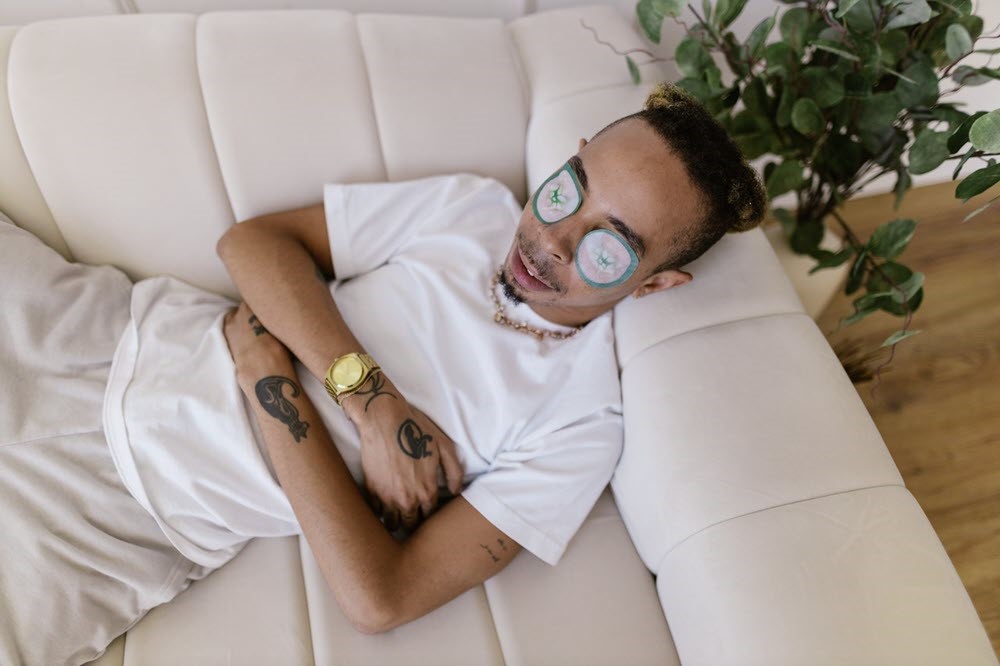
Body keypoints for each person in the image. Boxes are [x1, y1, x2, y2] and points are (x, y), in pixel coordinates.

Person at [0, 81, 766, 664]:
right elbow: (253, 246)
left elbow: (381, 596)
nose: (555, 239)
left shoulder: (581, 423)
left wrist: (272, 382)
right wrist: (371, 405)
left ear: (654, 285)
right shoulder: (469, 209)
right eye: (568, 189)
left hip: (119, 529)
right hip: (104, 338)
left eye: (610, 247)